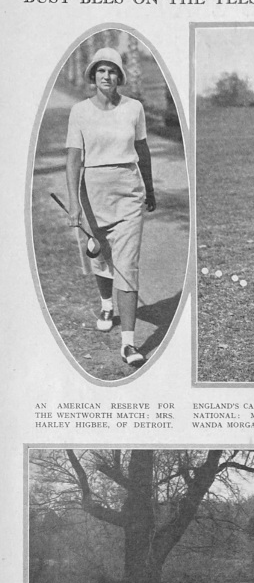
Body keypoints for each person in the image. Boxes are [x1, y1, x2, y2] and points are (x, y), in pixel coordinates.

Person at [65, 46, 156, 367]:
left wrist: (150, 189)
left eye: (112, 70)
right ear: (93, 75)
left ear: (120, 76)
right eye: (101, 70)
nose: (107, 76)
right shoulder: (79, 111)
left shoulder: (134, 108)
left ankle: (128, 344)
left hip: (129, 192)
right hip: (93, 194)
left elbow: (143, 151)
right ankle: (107, 305)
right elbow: (73, 160)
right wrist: (74, 204)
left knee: (127, 265)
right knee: (101, 255)